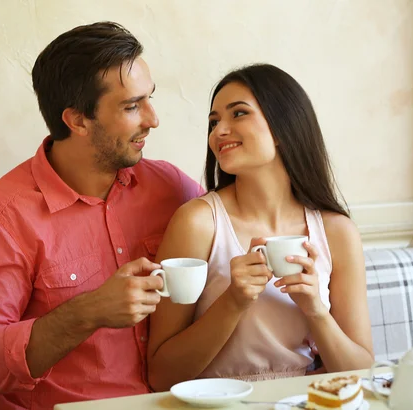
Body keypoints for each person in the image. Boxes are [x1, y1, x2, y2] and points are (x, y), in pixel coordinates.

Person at [0, 22, 203, 410]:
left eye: (149, 99)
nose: (153, 119)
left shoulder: (171, 187)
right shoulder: (1, 216)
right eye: (132, 106)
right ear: (77, 120)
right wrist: (88, 312)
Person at [147, 64, 374, 391]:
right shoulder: (197, 223)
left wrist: (316, 311)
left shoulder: (337, 232)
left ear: (284, 129)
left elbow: (361, 374)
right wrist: (234, 301)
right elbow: (162, 376)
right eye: (213, 122)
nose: (219, 131)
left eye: (238, 114)